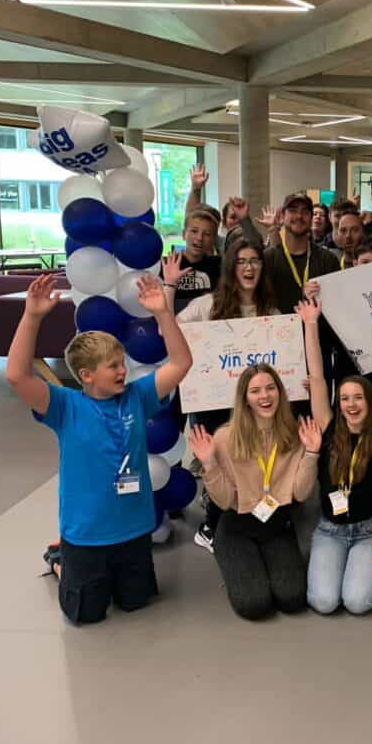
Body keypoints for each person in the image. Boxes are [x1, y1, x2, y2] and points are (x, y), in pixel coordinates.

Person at [7, 274, 193, 624]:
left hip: (134, 529)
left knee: (136, 603)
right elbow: (18, 376)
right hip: (86, 534)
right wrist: (32, 317)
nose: (123, 371)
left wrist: (163, 314)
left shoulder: (138, 397)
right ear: (86, 375)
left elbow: (181, 364)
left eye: (123, 364)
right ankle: (60, 559)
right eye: (114, 367)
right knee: (86, 615)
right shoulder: (64, 406)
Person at [163, 237, 280, 553]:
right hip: (213, 405)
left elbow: (282, 360)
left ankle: (247, 523)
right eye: (241, 261)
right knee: (221, 463)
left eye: (255, 260)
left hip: (254, 406)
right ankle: (211, 526)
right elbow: (168, 331)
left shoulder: (270, 310)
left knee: (250, 464)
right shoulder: (207, 305)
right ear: (231, 267)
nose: (249, 267)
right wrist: (170, 286)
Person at [189, 365, 322, 620]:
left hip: (277, 525)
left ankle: (260, 563)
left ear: (280, 393)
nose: (265, 396)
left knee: (293, 599)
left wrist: (311, 454)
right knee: (254, 605)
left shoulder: (294, 434)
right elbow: (225, 500)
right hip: (237, 527)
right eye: (256, 391)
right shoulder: (225, 438)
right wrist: (209, 464)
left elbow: (301, 493)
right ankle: (230, 556)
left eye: (271, 388)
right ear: (245, 399)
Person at [296, 298, 372, 615]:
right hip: (330, 530)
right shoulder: (327, 426)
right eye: (346, 398)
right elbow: (319, 377)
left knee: (357, 602)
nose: (351, 405)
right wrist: (311, 323)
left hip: (369, 529)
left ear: (369, 401)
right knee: (323, 602)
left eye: (358, 398)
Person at [263, 193, 341, 316]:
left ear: (310, 218)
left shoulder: (328, 260)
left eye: (305, 212)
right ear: (282, 216)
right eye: (293, 211)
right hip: (279, 332)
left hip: (318, 333)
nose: (299, 216)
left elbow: (337, 305)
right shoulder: (267, 259)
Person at [184, 164, 262, 254]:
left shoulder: (249, 239)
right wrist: (196, 189)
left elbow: (256, 245)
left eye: (239, 218)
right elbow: (192, 216)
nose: (238, 221)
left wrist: (244, 219)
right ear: (224, 222)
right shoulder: (219, 243)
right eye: (233, 217)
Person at [166, 207, 223, 314]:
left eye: (207, 234)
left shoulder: (219, 265)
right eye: (194, 231)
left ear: (214, 239)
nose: (199, 238)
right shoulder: (168, 264)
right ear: (184, 234)